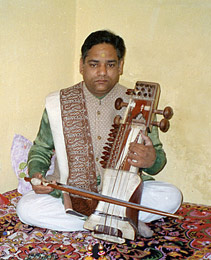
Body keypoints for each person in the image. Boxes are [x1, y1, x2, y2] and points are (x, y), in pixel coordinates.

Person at [17, 30, 182, 238]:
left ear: (120, 66)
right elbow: (41, 149)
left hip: (123, 193)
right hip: (69, 193)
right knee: (26, 208)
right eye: (94, 64)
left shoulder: (138, 103)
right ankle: (117, 221)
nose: (102, 72)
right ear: (81, 66)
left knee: (171, 197)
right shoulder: (57, 103)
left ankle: (100, 220)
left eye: (111, 64)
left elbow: (157, 159)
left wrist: (151, 160)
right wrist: (37, 175)